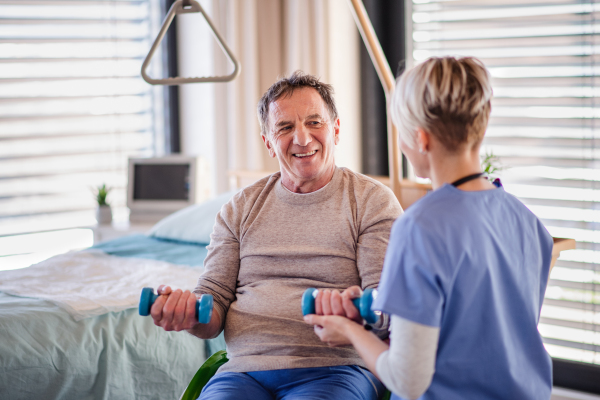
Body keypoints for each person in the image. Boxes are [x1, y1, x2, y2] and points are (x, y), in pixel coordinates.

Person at [304, 56, 554, 400]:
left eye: (401, 134)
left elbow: (407, 380)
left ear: (421, 139)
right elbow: (489, 333)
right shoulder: (527, 222)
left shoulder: (419, 227)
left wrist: (348, 331)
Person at [150, 71, 403, 400]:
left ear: (336, 130)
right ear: (268, 141)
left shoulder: (372, 201)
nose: (302, 138)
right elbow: (211, 308)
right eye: (285, 127)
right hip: (243, 372)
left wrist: (358, 315)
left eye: (315, 122)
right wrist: (186, 313)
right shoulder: (239, 208)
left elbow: (388, 308)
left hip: (337, 368)